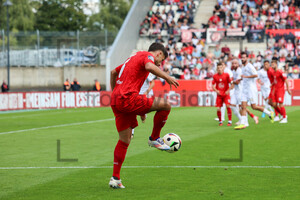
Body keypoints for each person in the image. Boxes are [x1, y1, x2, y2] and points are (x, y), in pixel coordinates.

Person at [109, 43, 179, 189]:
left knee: (124, 140)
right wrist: (167, 77)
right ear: (159, 53)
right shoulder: (146, 56)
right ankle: (154, 138)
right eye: (161, 60)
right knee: (166, 105)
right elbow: (149, 66)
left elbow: (113, 73)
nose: (159, 63)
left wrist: (115, 91)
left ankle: (115, 178)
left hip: (116, 100)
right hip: (127, 98)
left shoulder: (132, 58)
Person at [235, 52, 274, 130]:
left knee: (254, 107)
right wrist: (240, 79)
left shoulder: (250, 66)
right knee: (243, 106)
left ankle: (270, 113)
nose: (242, 59)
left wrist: (246, 76)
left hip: (251, 89)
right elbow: (244, 77)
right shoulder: (243, 67)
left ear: (247, 58)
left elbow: (255, 75)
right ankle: (244, 123)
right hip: (244, 89)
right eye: (241, 58)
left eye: (244, 57)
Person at [131, 73, 156, 138]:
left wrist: (146, 92)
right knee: (132, 112)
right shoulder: (134, 71)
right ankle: (131, 133)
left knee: (142, 115)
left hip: (146, 95)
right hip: (136, 94)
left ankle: (143, 114)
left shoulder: (147, 72)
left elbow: (153, 83)